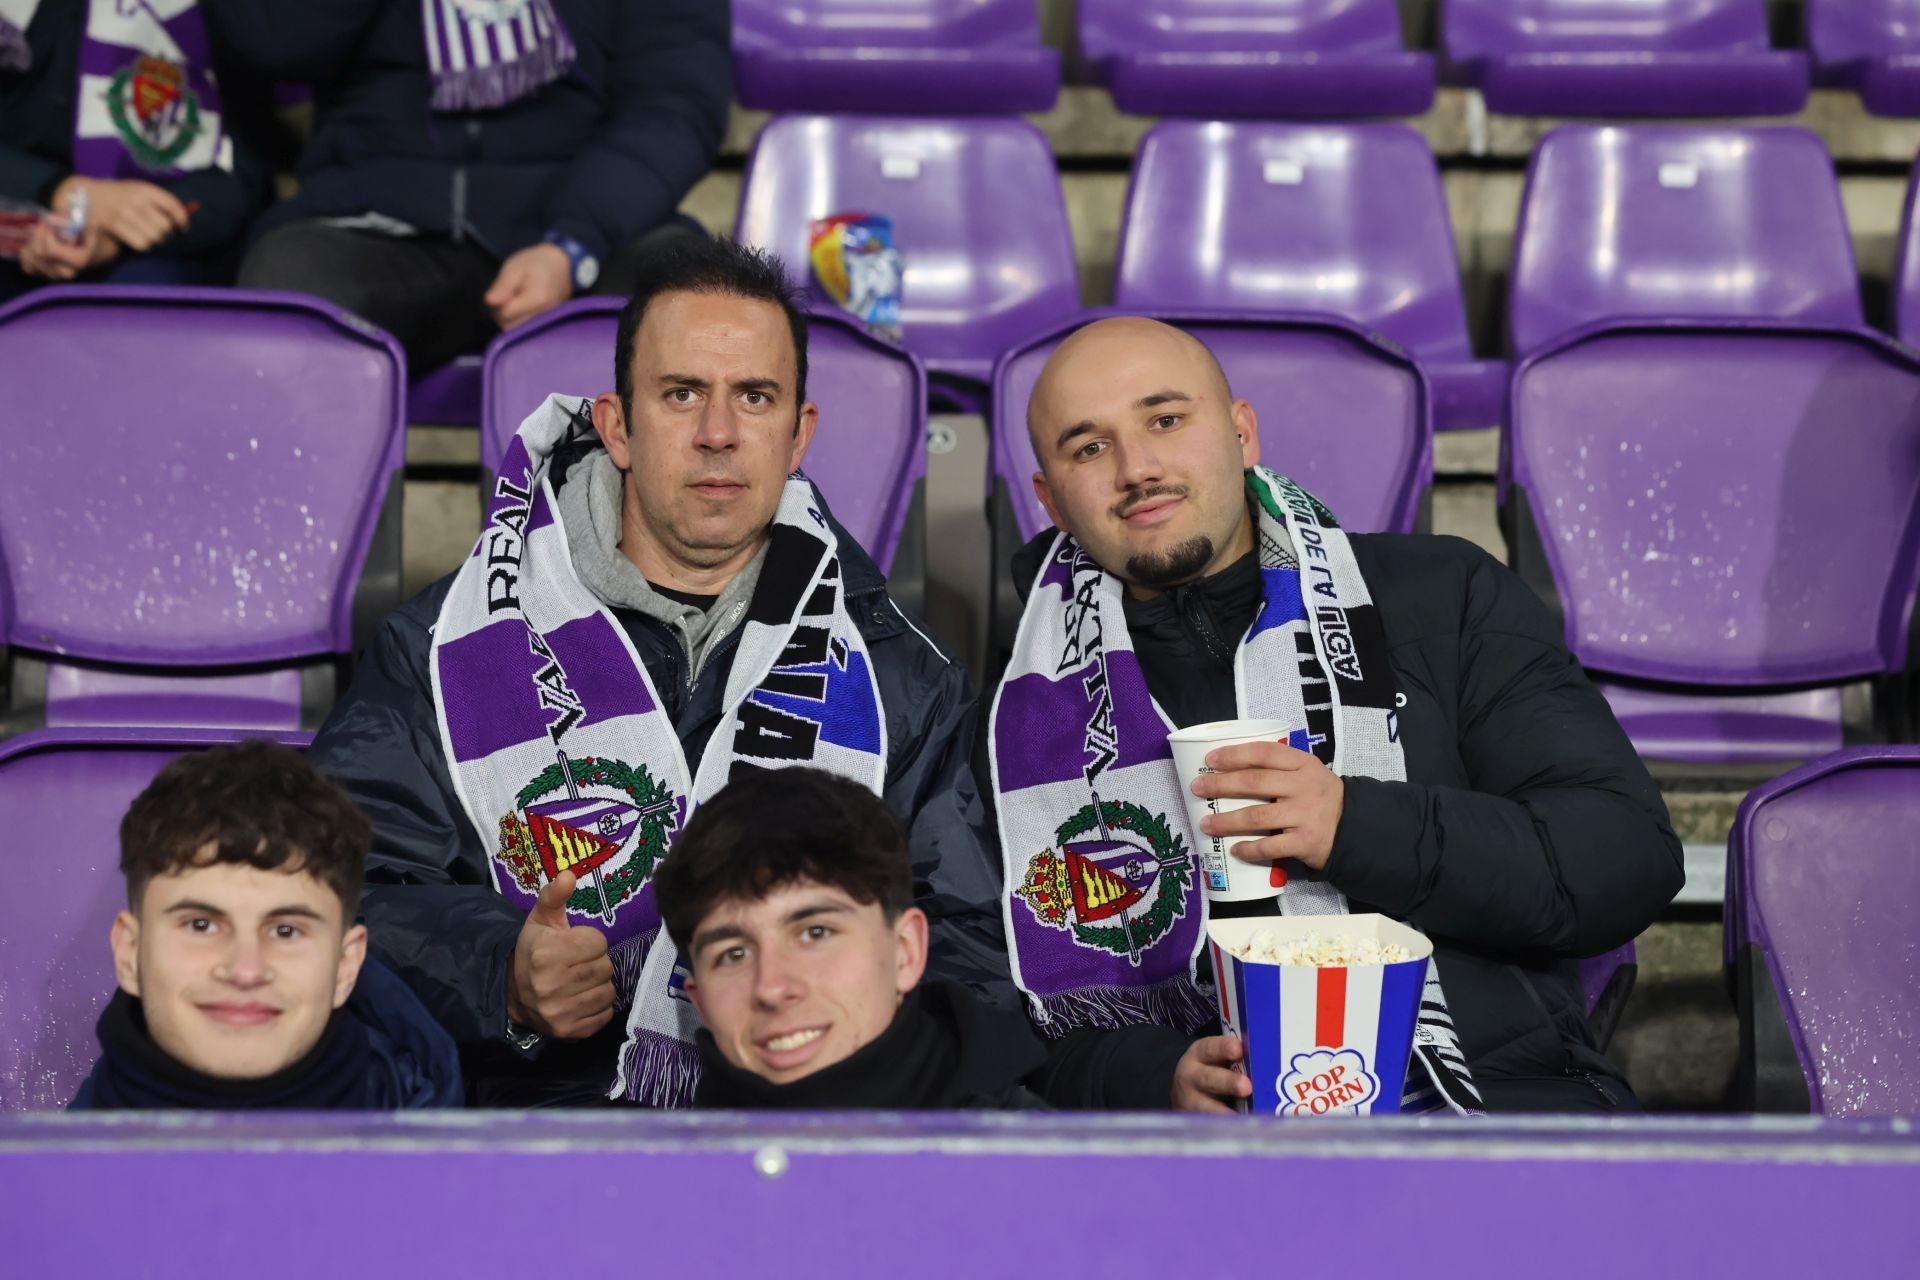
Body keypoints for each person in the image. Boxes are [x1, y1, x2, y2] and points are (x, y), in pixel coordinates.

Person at [308, 235, 1006, 1108]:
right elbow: (329, 891)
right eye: (682, 395)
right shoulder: (446, 644)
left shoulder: (897, 670)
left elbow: (973, 942)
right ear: (617, 426)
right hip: (533, 1143)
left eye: (755, 397)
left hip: (806, 1131)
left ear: (799, 435)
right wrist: (501, 972)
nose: (718, 435)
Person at [986, 316, 1684, 1113]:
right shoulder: (1021, 713)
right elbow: (999, 1001)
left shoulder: (1442, 595)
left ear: (1242, 433)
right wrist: (1150, 1078)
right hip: (1210, 1164)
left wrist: (1354, 823)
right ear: (1049, 501)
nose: (1137, 468)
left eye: (1167, 420)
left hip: (1498, 1104)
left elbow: (1626, 858)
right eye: (1088, 447)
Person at [654, 766, 1247, 1111]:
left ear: (905, 952)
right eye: (732, 953)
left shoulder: (1043, 1179)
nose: (772, 986)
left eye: (814, 931)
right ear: (699, 999)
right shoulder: (647, 1198)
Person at [218, 0, 729, 371]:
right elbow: (269, 37)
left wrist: (573, 243)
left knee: (675, 300)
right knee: (290, 291)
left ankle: (576, 522)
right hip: (377, 217)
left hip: (584, 220)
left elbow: (675, 106)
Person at [71, 740, 462, 1110]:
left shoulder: (449, 1168)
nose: (245, 970)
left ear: (346, 966)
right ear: (129, 954)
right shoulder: (42, 1173)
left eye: (285, 930)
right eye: (201, 925)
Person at [0, 0, 275, 301]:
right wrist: (66, 191)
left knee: (140, 303)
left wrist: (116, 234)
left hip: (166, 229)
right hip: (17, 207)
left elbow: (245, 168)